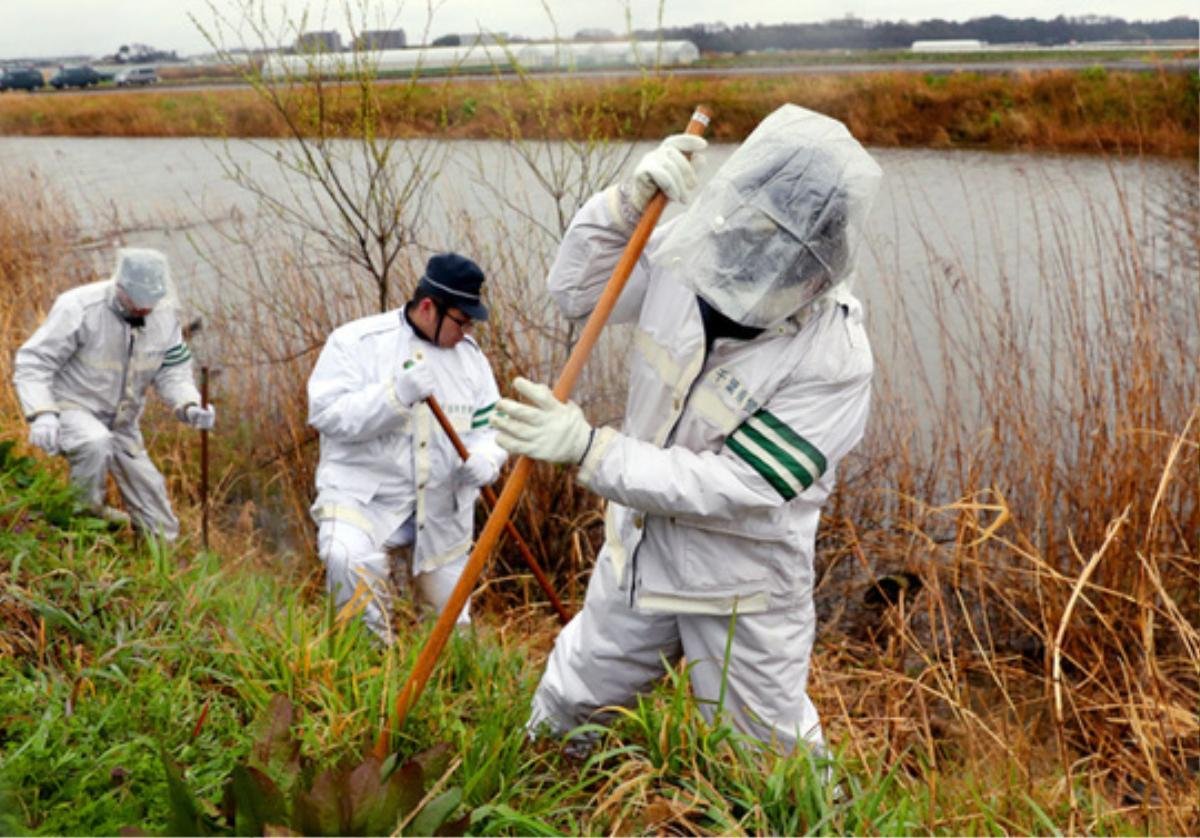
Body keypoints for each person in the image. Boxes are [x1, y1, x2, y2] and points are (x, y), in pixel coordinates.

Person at [492, 104, 883, 755]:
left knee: (763, 752)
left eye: (791, 263)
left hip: (740, 582)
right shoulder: (689, 252)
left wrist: (591, 449)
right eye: (755, 237)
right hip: (639, 548)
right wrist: (624, 204)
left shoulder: (834, 357)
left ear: (823, 266)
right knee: (575, 698)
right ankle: (534, 788)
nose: (760, 272)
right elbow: (577, 292)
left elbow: (737, 485)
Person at [307, 253, 507, 644]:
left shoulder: (471, 361)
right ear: (429, 307)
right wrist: (394, 397)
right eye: (461, 322)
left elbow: (491, 428)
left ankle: (452, 687)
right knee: (345, 558)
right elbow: (326, 414)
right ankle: (370, 662)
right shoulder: (356, 343)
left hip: (440, 508)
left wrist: (489, 458)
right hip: (363, 497)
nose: (466, 333)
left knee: (453, 626)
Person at [13, 247, 215, 542]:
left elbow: (173, 371)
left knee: (160, 519)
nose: (145, 309)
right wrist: (42, 413)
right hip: (72, 406)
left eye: (151, 302)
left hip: (122, 421)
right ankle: (83, 519)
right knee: (94, 441)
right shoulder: (79, 307)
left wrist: (189, 404)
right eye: (137, 302)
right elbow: (33, 362)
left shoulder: (164, 315)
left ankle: (158, 556)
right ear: (120, 287)